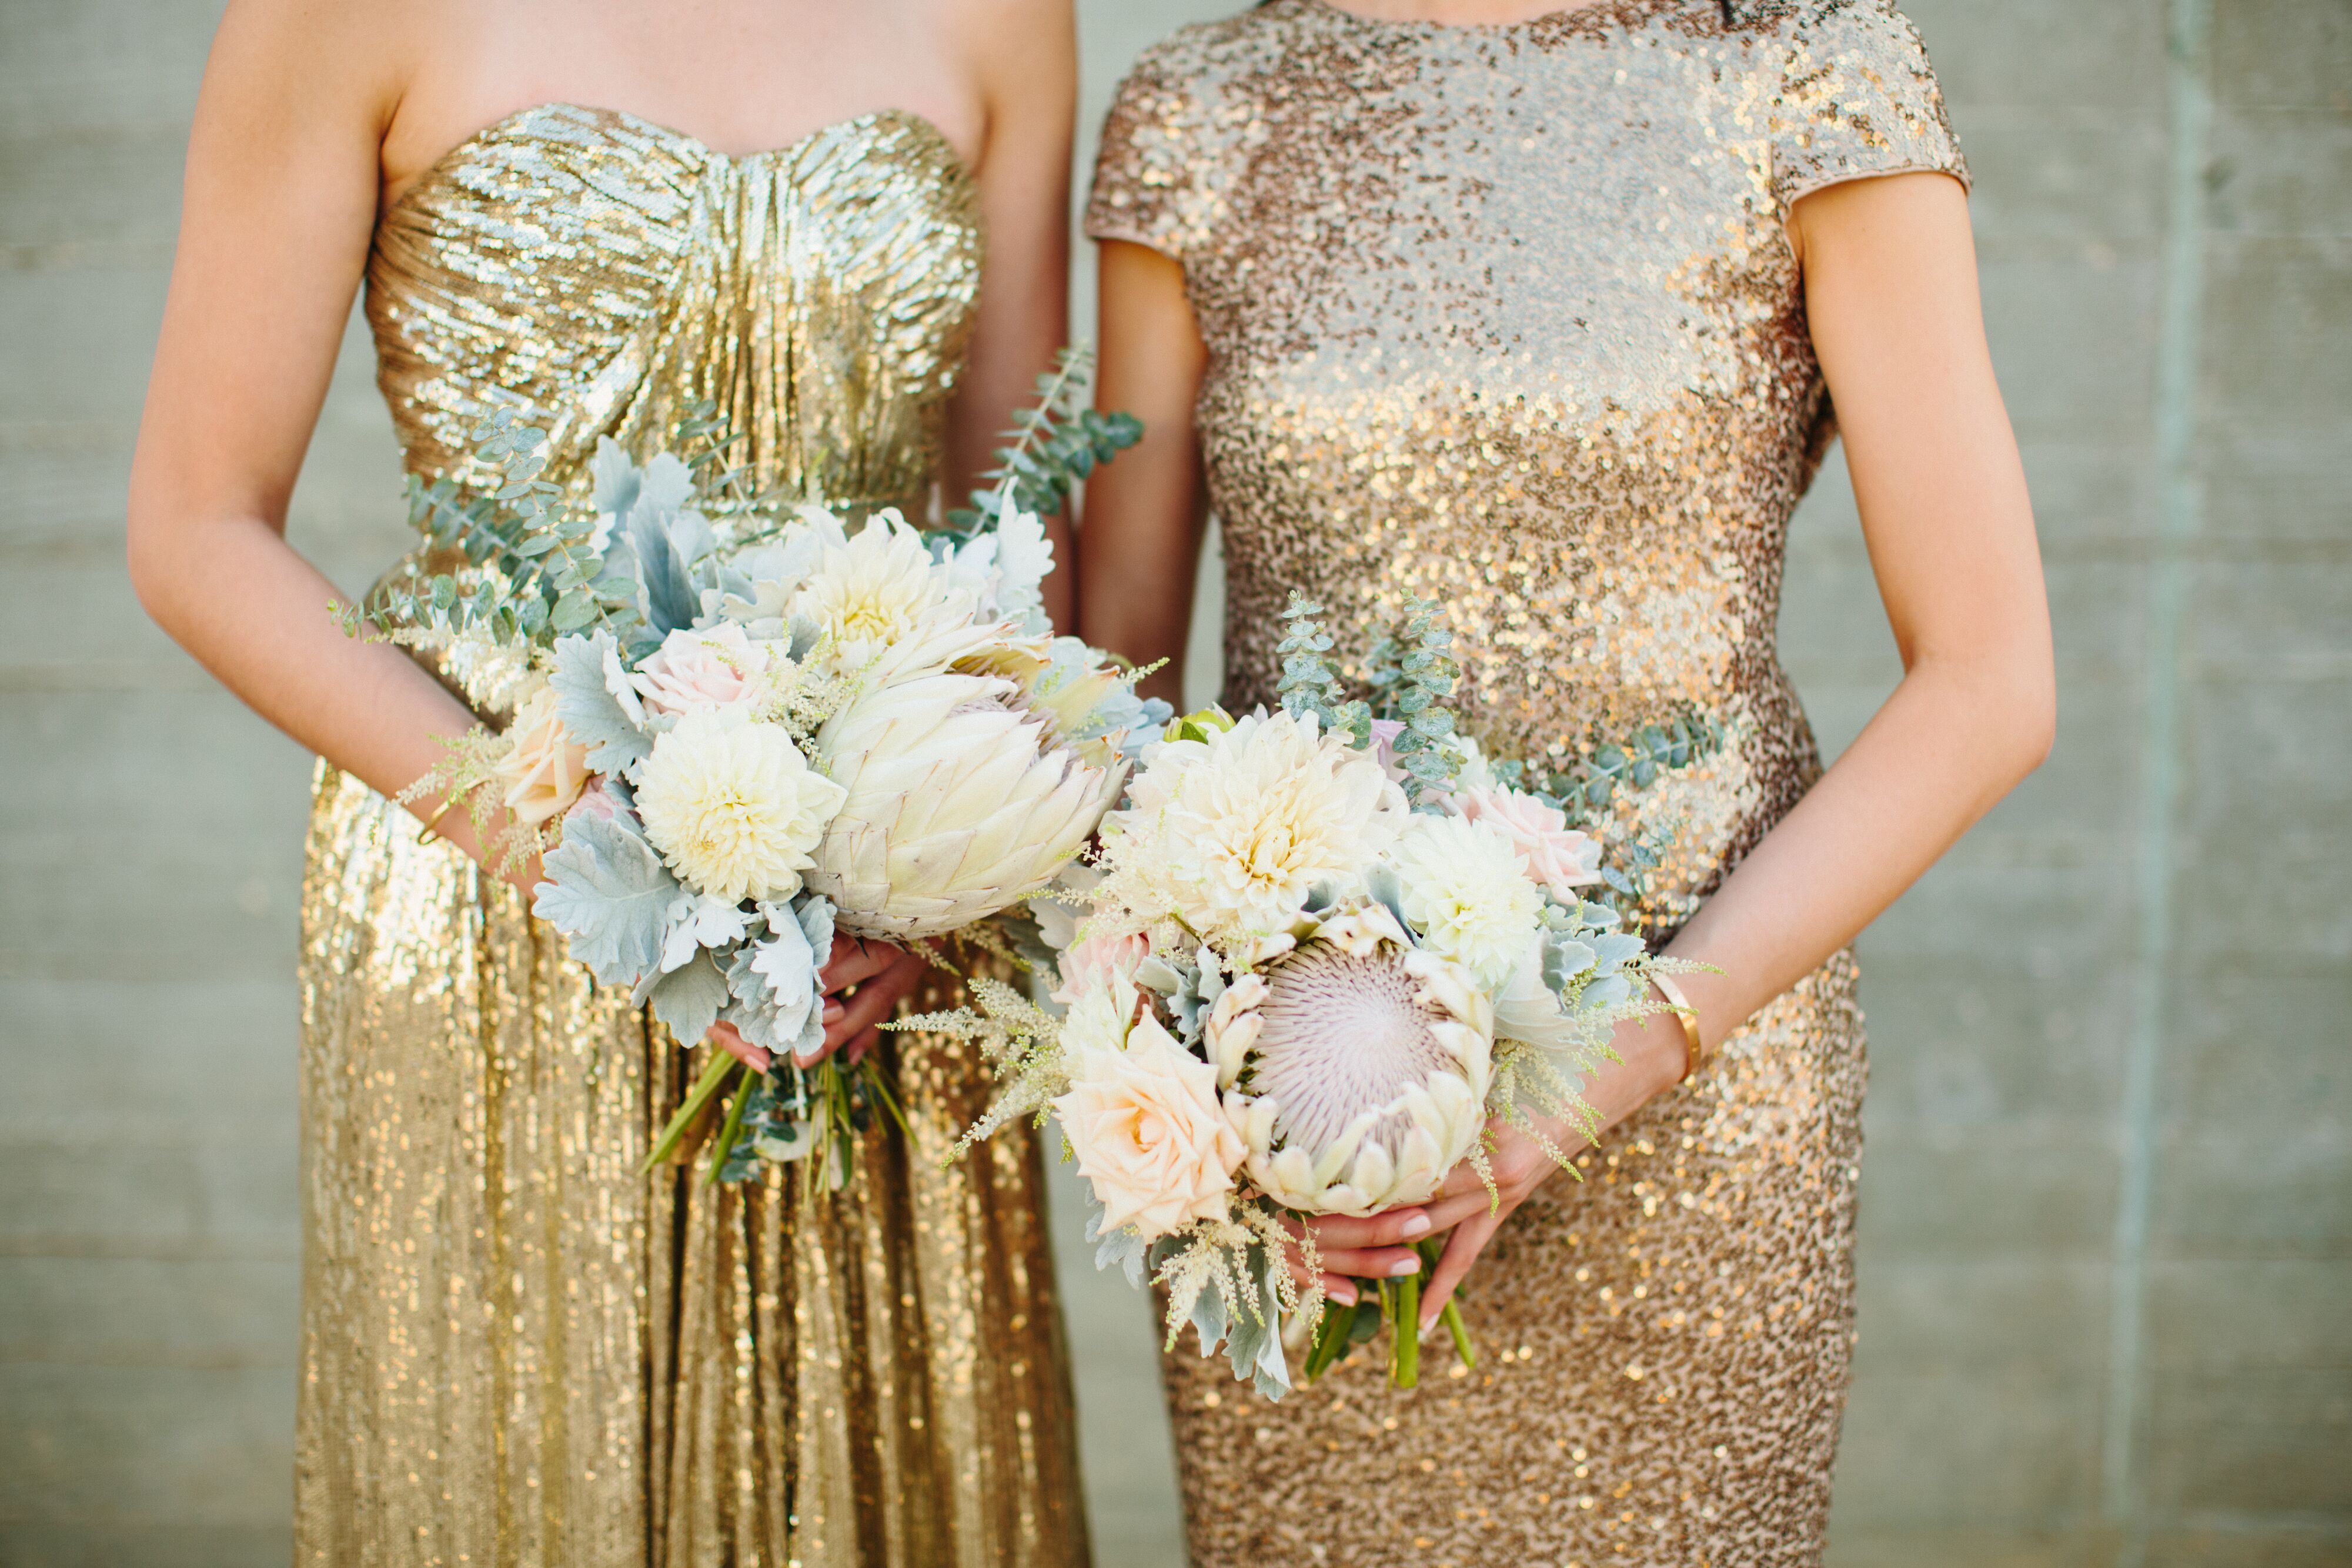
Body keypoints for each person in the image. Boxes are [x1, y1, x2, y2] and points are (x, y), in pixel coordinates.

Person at [1078, 0, 2052, 1560]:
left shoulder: (1803, 68)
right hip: (1314, 1153)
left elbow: (1992, 681)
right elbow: (1111, 697)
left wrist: (1609, 1067)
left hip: (1698, 1108)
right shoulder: (1200, 107)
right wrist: (1192, 1071)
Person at [126, 0, 1089, 1561]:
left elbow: (1019, 534)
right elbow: (194, 525)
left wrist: (950, 864)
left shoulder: (1004, 17)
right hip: (498, 892)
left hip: (884, 936)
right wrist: (581, 844)